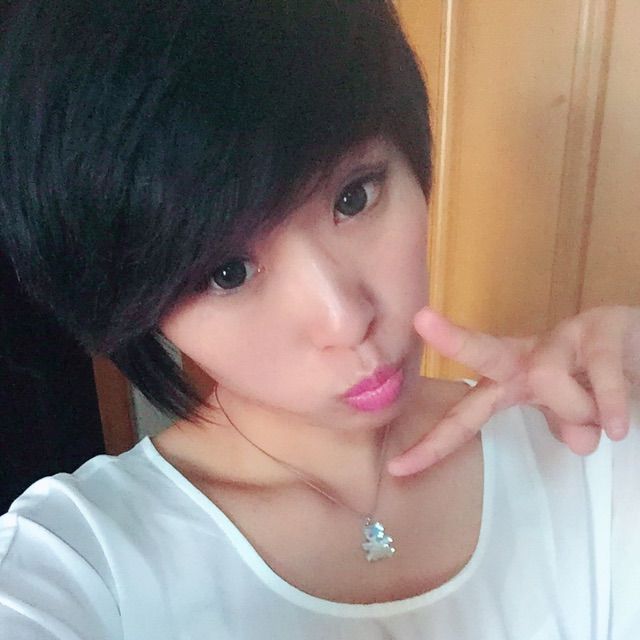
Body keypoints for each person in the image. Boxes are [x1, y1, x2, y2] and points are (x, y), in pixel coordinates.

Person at [0, 1, 638, 638]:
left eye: (354, 197)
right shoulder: (79, 561)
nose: (346, 319)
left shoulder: (584, 440)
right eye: (228, 272)